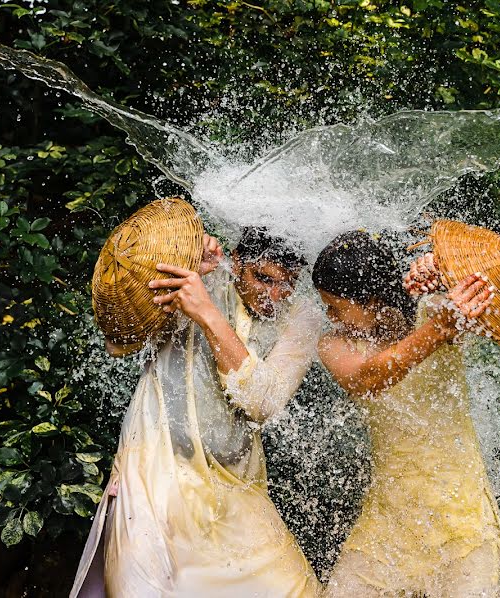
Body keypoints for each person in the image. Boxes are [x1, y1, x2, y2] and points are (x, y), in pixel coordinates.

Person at [70, 227, 323, 597]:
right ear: (237, 261)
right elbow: (117, 343)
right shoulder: (199, 277)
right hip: (154, 476)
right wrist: (165, 269)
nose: (273, 295)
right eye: (263, 278)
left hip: (236, 486)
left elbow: (262, 403)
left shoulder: (302, 317)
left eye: (287, 284)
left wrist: (208, 315)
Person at [311, 231, 500, 598]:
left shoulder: (432, 309)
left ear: (370, 300)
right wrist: (438, 330)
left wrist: (446, 272)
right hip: (388, 520)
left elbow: (492, 293)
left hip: (461, 519)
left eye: (336, 307)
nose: (329, 315)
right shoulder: (334, 343)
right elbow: (367, 378)